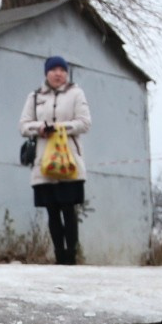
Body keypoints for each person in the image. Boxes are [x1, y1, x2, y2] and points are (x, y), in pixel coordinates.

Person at [20, 55, 92, 265]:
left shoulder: (76, 94)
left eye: (62, 70)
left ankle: (71, 257)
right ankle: (58, 255)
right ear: (46, 73)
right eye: (54, 70)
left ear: (66, 73)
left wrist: (61, 128)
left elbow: (85, 123)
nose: (58, 74)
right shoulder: (34, 97)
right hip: (44, 162)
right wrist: (40, 128)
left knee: (69, 209)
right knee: (52, 210)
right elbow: (23, 125)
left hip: (69, 160)